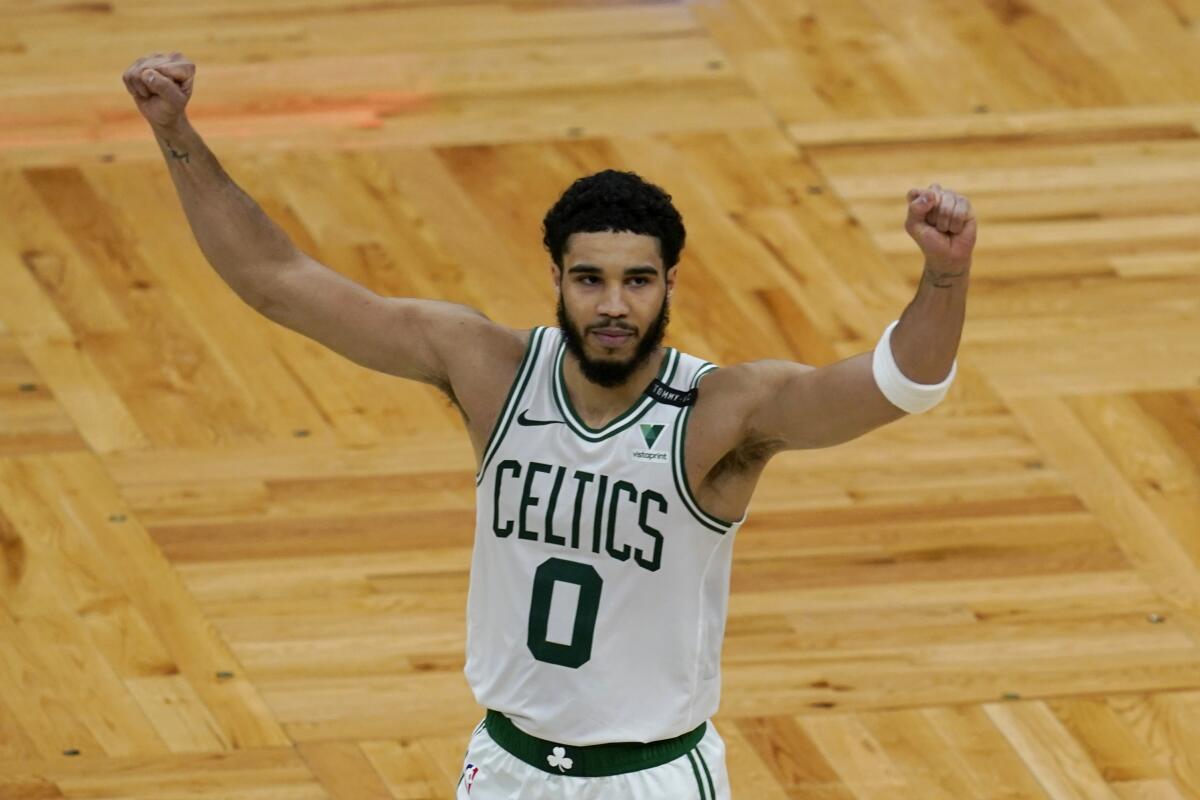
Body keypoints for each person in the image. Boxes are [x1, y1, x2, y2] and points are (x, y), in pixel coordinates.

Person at [123, 52, 975, 800]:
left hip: (653, 778)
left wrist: (942, 278)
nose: (613, 305)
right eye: (590, 279)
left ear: (671, 285)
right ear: (557, 279)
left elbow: (902, 384)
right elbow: (274, 278)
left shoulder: (723, 414)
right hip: (507, 768)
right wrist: (175, 131)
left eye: (638, 281)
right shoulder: (489, 370)